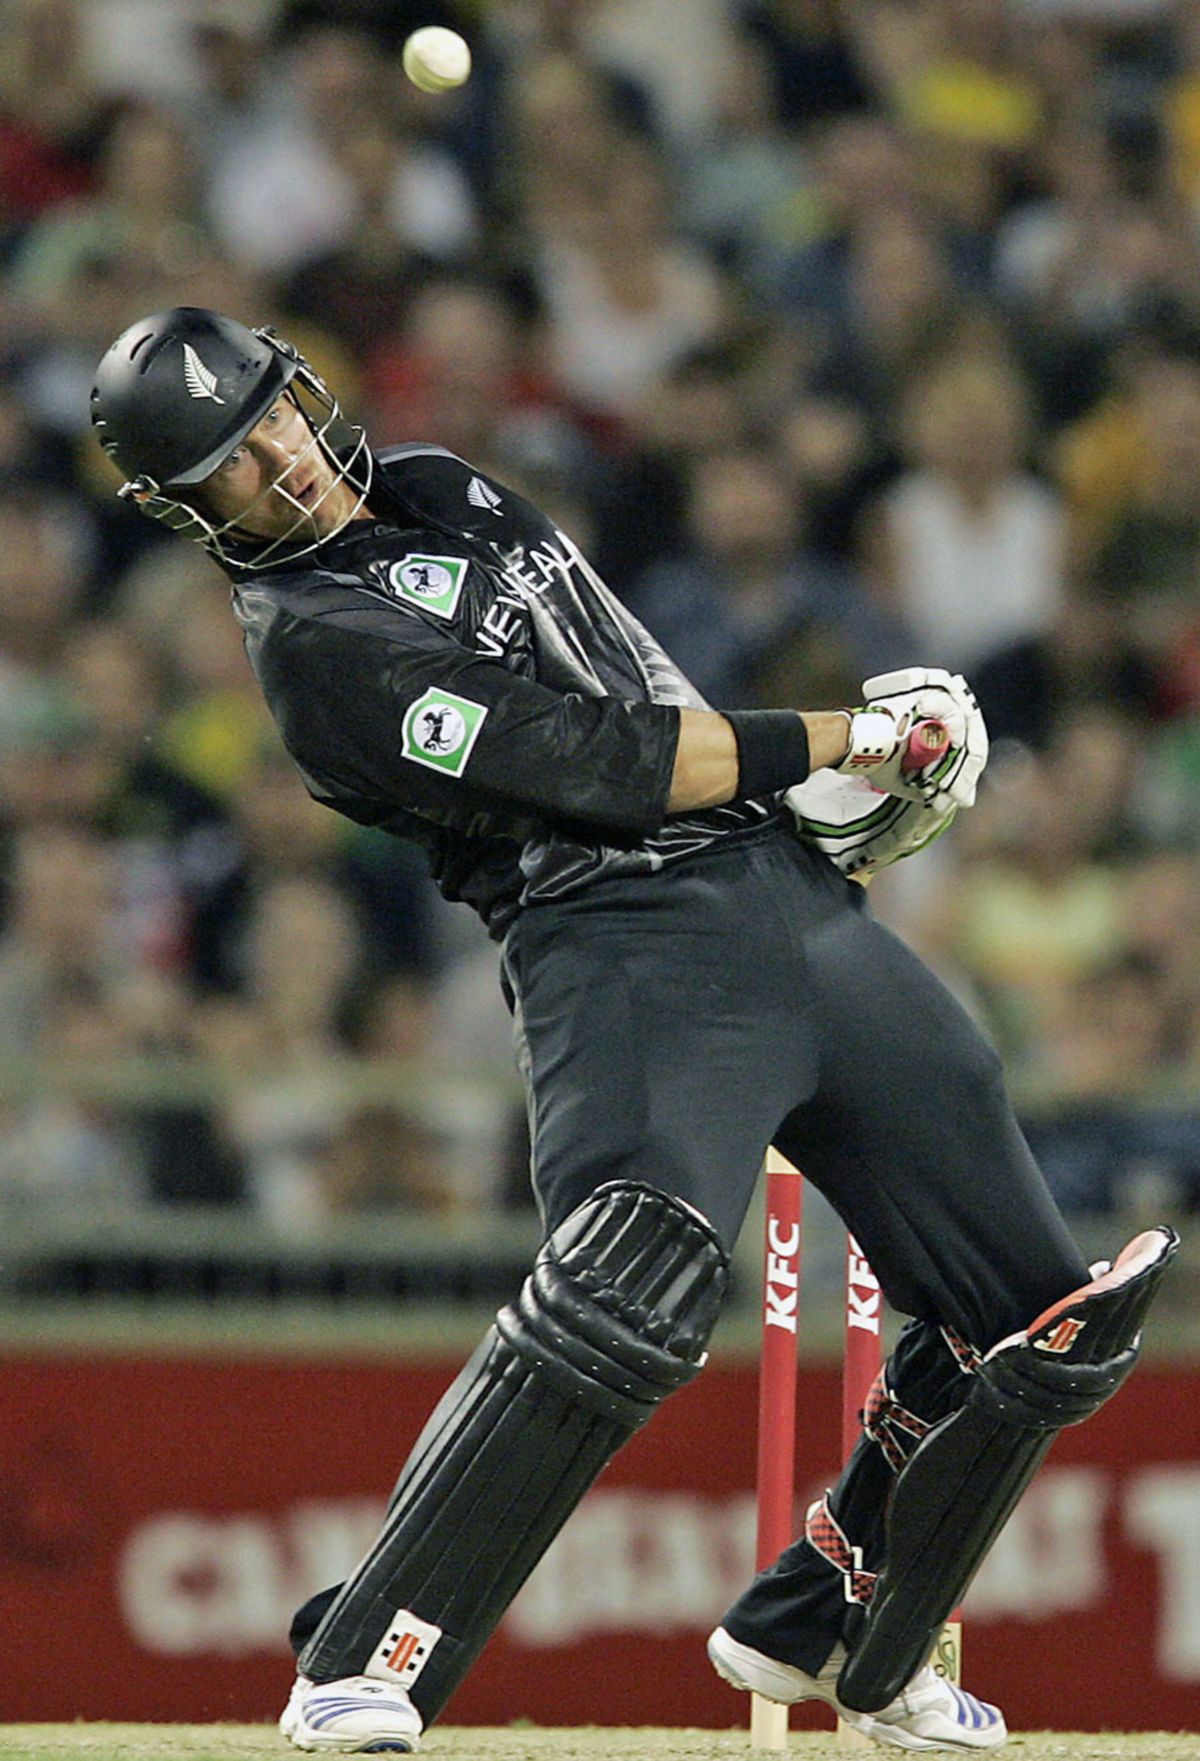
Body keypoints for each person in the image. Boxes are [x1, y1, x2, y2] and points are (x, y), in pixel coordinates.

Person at [89, 309, 1177, 1756]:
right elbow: (599, 763)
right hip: (614, 934)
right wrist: (845, 737)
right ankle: (365, 1656)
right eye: (234, 465)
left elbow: (637, 679)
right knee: (632, 1279)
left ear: (305, 384)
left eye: (276, 413)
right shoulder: (317, 651)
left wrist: (807, 816)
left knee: (1043, 1316)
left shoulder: (444, 486)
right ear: (183, 511)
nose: (282, 460)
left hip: (781, 896)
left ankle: (828, 1618)